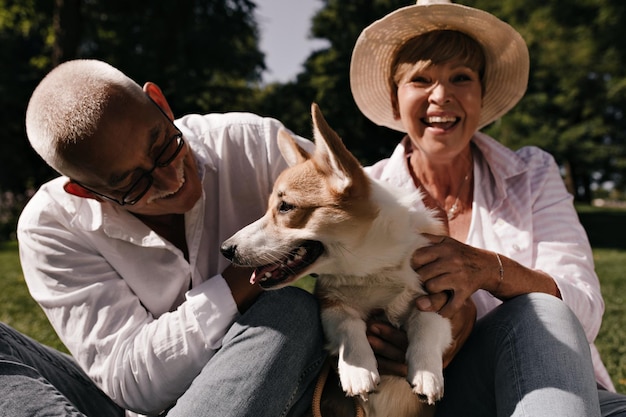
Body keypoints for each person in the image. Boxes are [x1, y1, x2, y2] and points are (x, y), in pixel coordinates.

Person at [351, 0, 626, 416]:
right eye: (420, 79)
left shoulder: (532, 173)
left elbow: (584, 308)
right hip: (416, 402)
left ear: (480, 96)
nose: (441, 96)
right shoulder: (366, 195)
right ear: (395, 100)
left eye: (460, 78)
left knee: (544, 309)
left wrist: (491, 270)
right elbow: (344, 305)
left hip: (550, 385)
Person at [8, 59, 326, 417]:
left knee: (287, 310)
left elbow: (362, 219)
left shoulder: (252, 145)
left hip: (274, 369)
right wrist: (247, 276)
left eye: (164, 147)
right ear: (86, 192)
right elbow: (132, 383)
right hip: (124, 410)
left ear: (161, 103)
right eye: (133, 185)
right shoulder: (52, 226)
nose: (171, 182)